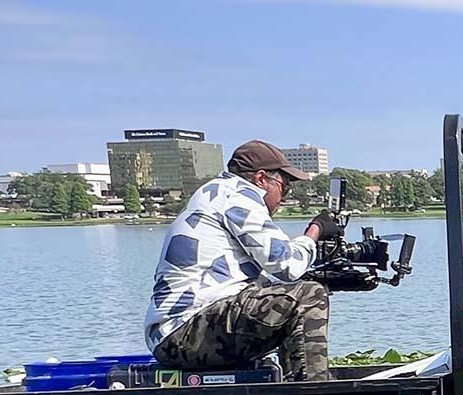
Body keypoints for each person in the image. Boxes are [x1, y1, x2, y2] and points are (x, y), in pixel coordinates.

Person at [144, 140, 344, 380]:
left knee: (291, 295)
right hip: (183, 334)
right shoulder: (237, 196)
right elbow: (287, 265)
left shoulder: (216, 193)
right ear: (261, 179)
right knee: (309, 295)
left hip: (173, 334)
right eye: (284, 187)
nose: (284, 196)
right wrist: (315, 230)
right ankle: (315, 392)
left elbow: (270, 282)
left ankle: (296, 383)